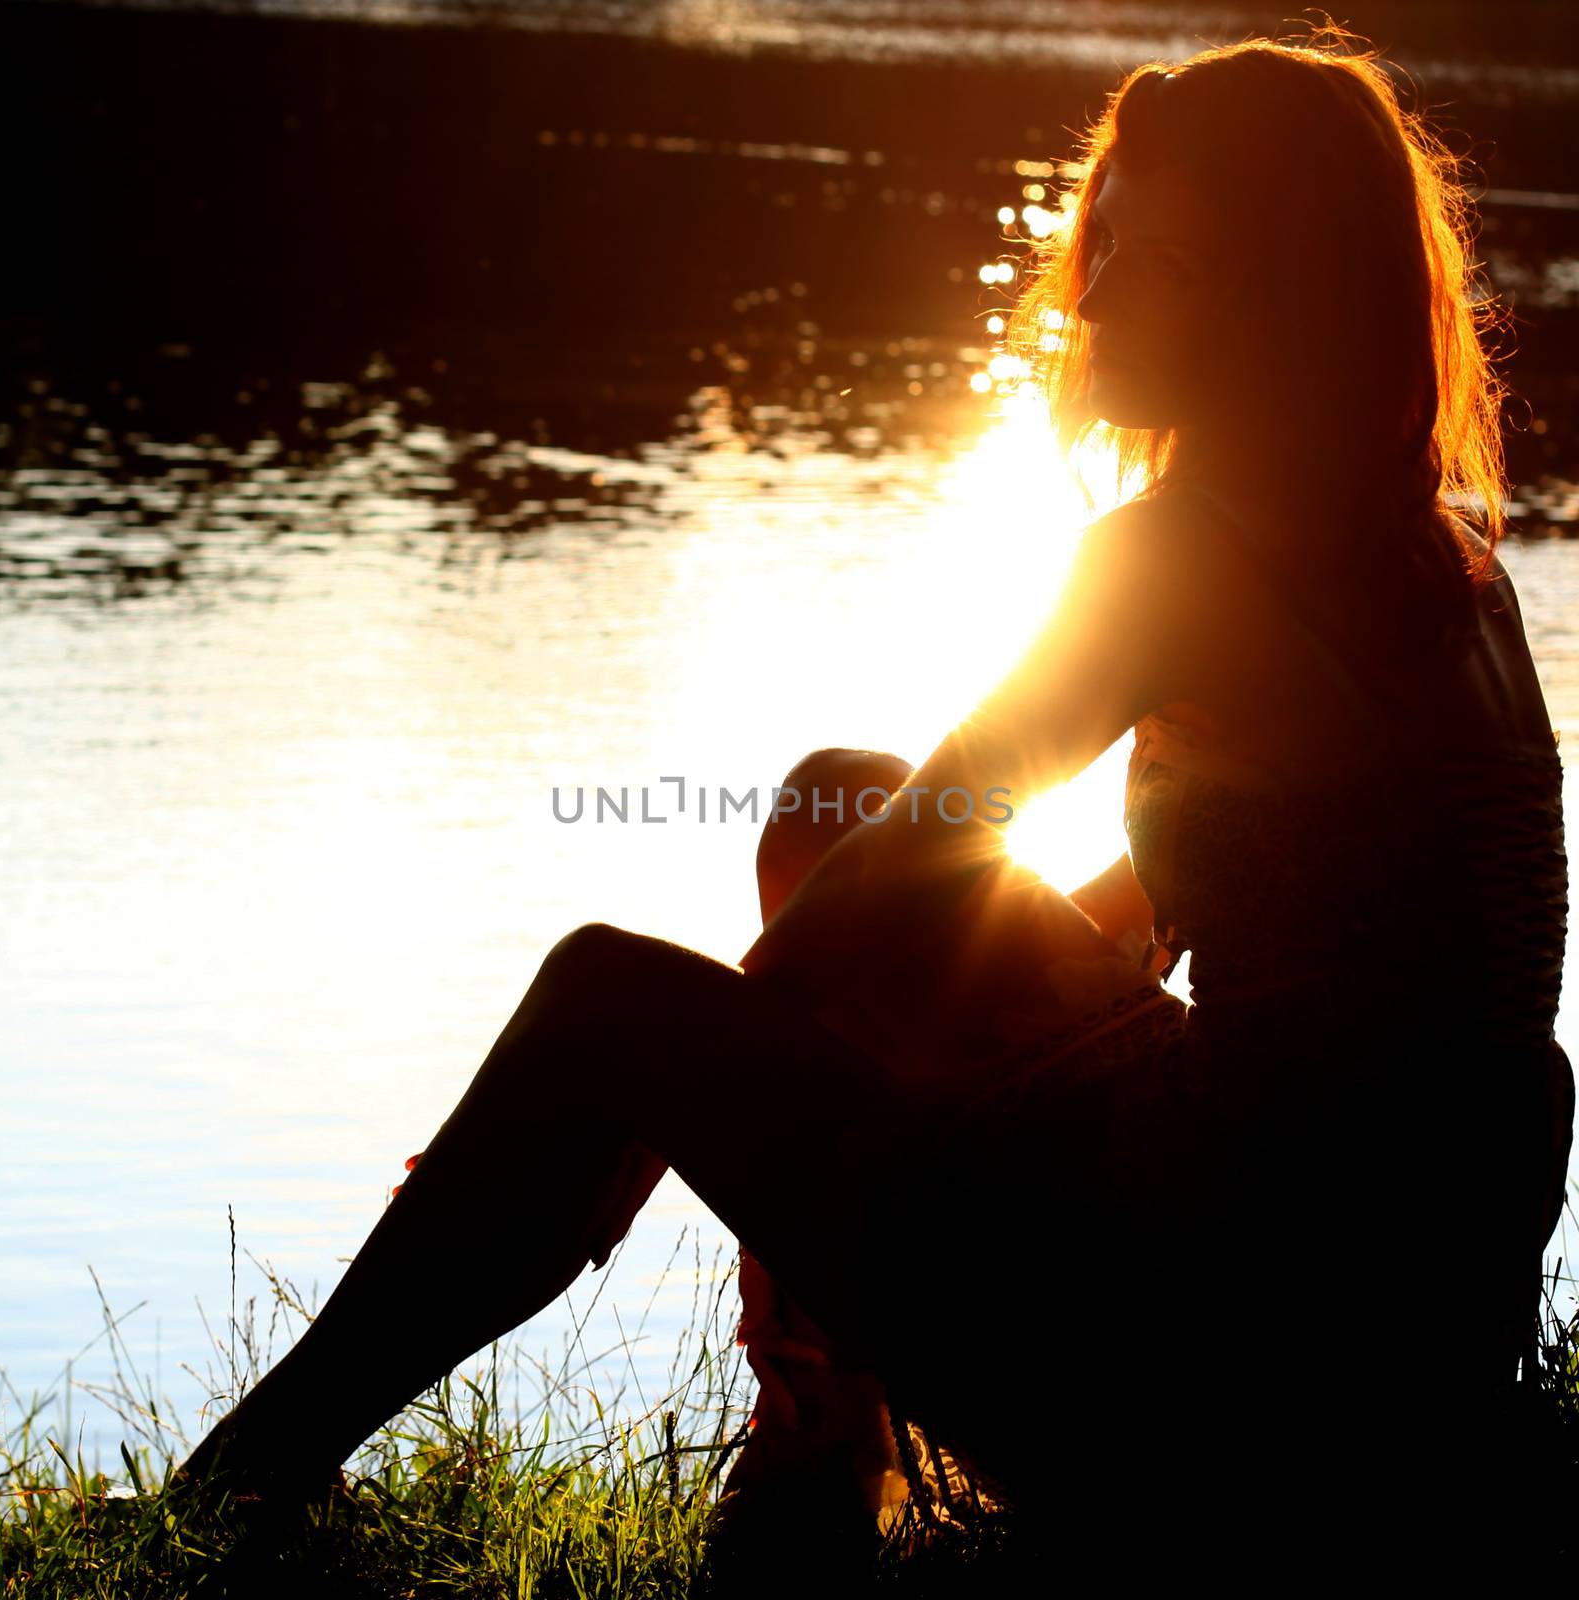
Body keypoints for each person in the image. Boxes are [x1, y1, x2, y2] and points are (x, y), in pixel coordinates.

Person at [178, 26, 1571, 1574]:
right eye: (1101, 244)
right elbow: (1257, 904)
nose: (1096, 295)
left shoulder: (1182, 559)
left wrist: (661, 1110)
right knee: (841, 802)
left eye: (1157, 262)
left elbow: (912, 872)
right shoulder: (1447, 565)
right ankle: (824, 1443)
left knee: (608, 1001)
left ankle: (240, 1484)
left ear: (1270, 294)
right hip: (1393, 1369)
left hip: (1205, 1401)